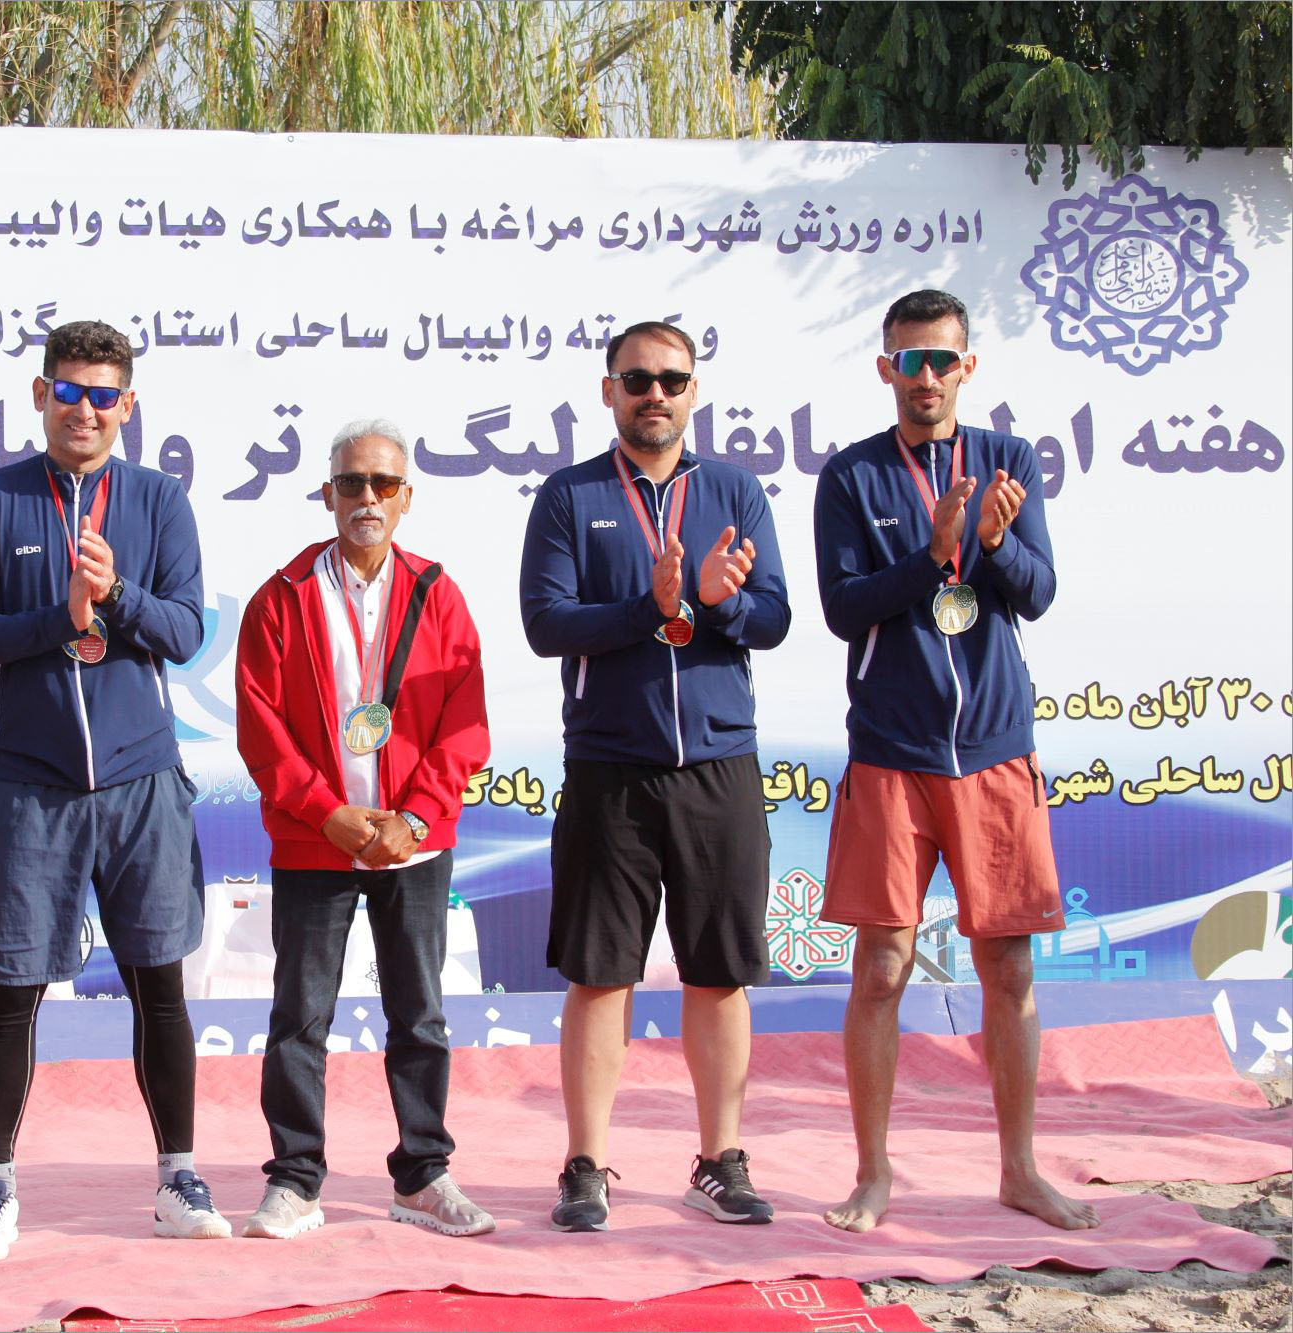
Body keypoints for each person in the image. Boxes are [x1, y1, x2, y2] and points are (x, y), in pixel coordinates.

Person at [0, 319, 228, 1263]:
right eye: (69, 391)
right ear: (41, 395)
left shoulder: (159, 499)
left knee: (159, 985)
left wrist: (119, 598)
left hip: (142, 779)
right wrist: (56, 618)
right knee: (12, 990)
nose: (86, 410)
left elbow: (184, 631)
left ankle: (179, 1176)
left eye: (104, 396)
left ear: (128, 405)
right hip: (31, 781)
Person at [814, 289, 1095, 1234]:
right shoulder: (851, 475)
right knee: (881, 966)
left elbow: (1037, 593)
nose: (925, 376)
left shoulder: (1011, 461)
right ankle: (873, 1174)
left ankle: (1020, 1170)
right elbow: (844, 609)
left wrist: (993, 545)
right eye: (909, 360)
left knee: (1007, 966)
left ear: (967, 367)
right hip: (891, 750)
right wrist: (931, 558)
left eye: (941, 359)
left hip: (994, 751)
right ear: (885, 368)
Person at [518, 321, 791, 1231]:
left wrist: (716, 605)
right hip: (610, 767)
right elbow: (547, 623)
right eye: (637, 379)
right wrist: (652, 606)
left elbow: (776, 617)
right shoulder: (571, 494)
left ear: (694, 390)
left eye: (672, 379)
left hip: (719, 764)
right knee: (601, 976)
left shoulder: (735, 490)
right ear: (609, 390)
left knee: (719, 971)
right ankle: (585, 1165)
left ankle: (721, 1159)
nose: (655, 395)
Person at [233, 419, 495, 1240]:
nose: (367, 498)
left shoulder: (438, 593)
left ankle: (423, 1174)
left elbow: (465, 722)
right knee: (298, 1017)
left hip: (414, 843)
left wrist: (413, 816)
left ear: (407, 496)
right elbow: (261, 730)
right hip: (316, 841)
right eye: (352, 483)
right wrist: (330, 813)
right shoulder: (281, 597)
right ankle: (294, 1180)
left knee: (420, 1015)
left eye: (383, 483)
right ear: (327, 494)